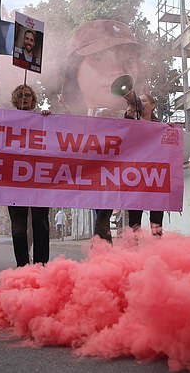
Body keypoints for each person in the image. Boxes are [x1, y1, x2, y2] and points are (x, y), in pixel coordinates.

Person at [61, 19, 144, 243]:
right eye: (99, 59)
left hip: (126, 176)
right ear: (74, 70)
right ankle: (103, 260)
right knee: (101, 221)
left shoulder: (135, 108)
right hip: (98, 178)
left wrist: (134, 106)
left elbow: (145, 136)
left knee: (131, 221)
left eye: (125, 59)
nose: (116, 69)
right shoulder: (72, 116)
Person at [7, 84, 51, 266]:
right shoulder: (6, 120)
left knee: (40, 225)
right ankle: (23, 266)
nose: (24, 99)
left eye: (27, 96)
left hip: (39, 181)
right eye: (20, 96)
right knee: (18, 229)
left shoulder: (42, 119)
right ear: (15, 100)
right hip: (14, 182)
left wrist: (49, 120)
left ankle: (41, 266)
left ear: (33, 100)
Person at [126, 94, 165, 236]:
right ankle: (134, 252)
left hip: (155, 177)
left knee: (157, 219)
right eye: (139, 101)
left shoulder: (160, 126)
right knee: (134, 219)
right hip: (135, 177)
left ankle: (156, 250)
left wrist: (172, 130)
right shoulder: (130, 121)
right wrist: (129, 112)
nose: (141, 103)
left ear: (153, 105)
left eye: (144, 101)